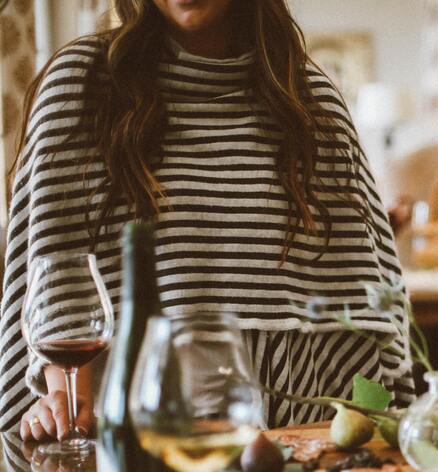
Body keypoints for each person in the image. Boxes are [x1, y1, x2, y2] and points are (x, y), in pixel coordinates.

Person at [2, 0, 413, 442]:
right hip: (136, 436)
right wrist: (67, 400)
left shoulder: (309, 98)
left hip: (296, 432)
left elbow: (362, 296)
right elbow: (57, 269)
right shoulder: (83, 84)